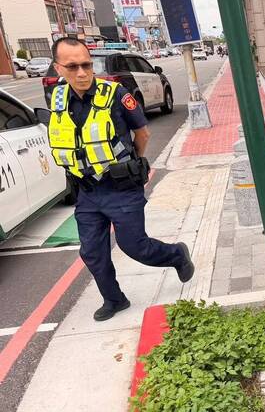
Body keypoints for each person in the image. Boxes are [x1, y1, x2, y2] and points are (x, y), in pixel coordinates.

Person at [46, 37, 194, 321]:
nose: (82, 72)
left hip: (121, 187)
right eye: (72, 66)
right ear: (58, 68)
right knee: (92, 252)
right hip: (87, 191)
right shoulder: (58, 98)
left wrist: (132, 164)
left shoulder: (115, 93)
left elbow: (143, 133)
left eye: (86, 65)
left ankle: (176, 255)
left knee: (134, 246)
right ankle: (114, 300)